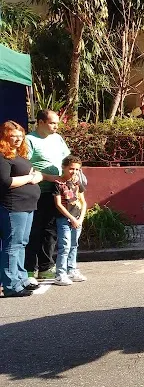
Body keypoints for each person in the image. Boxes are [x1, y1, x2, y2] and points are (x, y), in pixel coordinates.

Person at [25, 110, 71, 281]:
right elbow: (25, 165)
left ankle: (45, 268)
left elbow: (67, 159)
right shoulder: (30, 140)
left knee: (50, 232)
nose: (56, 127)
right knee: (34, 231)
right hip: (37, 191)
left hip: (56, 192)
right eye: (52, 123)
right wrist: (46, 176)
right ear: (41, 122)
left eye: (57, 123)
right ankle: (29, 269)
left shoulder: (57, 139)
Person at [0, 121, 44, 297]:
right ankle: (11, 285)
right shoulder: (3, 157)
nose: (18, 139)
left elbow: (34, 174)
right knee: (12, 245)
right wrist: (29, 178)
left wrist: (36, 176)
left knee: (22, 243)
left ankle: (21, 278)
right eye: (13, 136)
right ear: (4, 137)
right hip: (13, 206)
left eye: (20, 136)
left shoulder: (19, 156)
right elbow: (6, 182)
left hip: (27, 205)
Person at [52, 155, 87, 286]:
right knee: (64, 246)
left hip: (77, 220)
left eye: (77, 169)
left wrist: (81, 219)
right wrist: (71, 218)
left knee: (74, 245)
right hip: (64, 220)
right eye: (71, 169)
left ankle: (72, 270)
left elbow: (83, 202)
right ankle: (60, 274)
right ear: (64, 167)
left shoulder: (77, 183)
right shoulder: (58, 184)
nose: (74, 172)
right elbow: (58, 204)